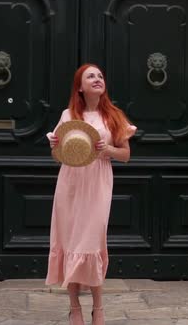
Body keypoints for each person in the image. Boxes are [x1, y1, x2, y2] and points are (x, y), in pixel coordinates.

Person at [45, 64, 136, 325]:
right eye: (91, 76)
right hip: (70, 183)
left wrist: (106, 148)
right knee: (70, 242)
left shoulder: (114, 116)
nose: (97, 79)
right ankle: (74, 308)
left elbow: (126, 156)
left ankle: (99, 308)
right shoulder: (68, 115)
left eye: (100, 76)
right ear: (80, 87)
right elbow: (57, 156)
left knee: (93, 243)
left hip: (97, 183)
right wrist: (54, 146)